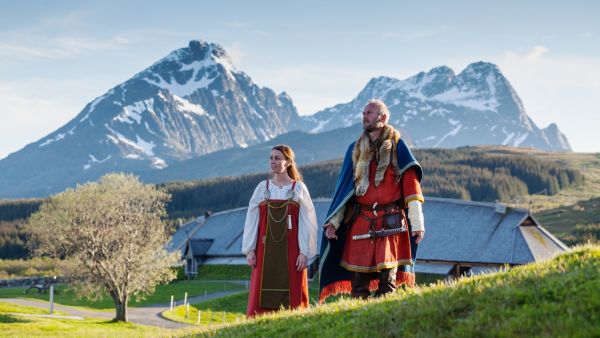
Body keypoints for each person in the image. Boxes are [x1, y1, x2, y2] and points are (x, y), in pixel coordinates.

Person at [319, 99, 425, 301]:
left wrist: (417, 222)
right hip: (361, 220)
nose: (364, 116)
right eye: (364, 113)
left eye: (369, 113)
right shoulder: (355, 149)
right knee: (358, 280)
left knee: (388, 280)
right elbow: (345, 191)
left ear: (382, 118)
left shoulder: (397, 146)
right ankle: (358, 318)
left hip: (391, 221)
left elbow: (412, 187)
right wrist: (333, 222)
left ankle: (385, 317)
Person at [242, 144, 318, 317]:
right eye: (271, 158)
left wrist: (305, 252)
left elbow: (309, 222)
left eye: (277, 158)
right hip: (264, 248)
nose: (272, 161)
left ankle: (294, 319)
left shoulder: (298, 188)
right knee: (261, 290)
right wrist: (250, 249)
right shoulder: (262, 188)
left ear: (288, 162)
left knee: (293, 293)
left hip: (292, 250)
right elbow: (251, 220)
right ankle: (258, 322)